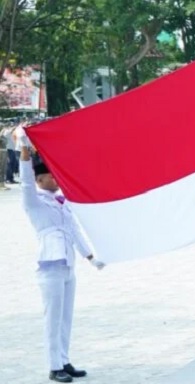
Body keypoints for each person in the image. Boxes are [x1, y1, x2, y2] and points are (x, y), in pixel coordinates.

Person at [19, 142, 105, 383]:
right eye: (50, 177)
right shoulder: (34, 201)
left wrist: (90, 257)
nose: (56, 181)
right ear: (40, 180)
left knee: (66, 317)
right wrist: (25, 153)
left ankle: (64, 361)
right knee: (53, 318)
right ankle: (53, 366)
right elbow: (25, 182)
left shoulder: (61, 202)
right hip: (50, 266)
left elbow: (74, 229)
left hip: (68, 264)